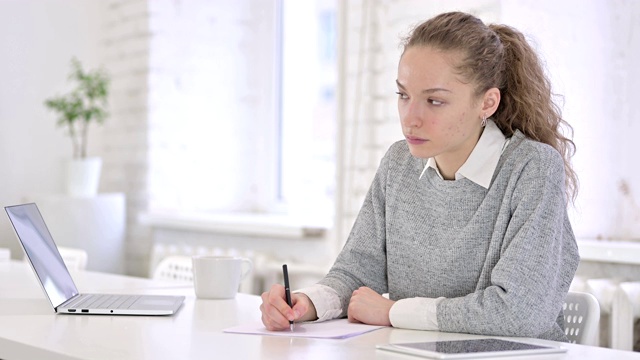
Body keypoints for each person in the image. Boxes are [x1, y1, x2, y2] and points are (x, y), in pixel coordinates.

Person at [260, 11, 579, 342]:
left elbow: (519, 313)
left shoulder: (533, 168)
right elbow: (356, 272)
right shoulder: (399, 164)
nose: (410, 118)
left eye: (435, 101)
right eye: (403, 95)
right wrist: (307, 303)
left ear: (487, 102)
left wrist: (392, 312)